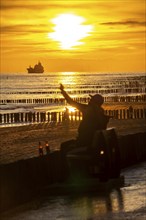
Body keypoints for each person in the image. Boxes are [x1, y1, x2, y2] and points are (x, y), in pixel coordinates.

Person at [60, 83, 110, 148]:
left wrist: (63, 91)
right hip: (93, 141)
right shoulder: (101, 112)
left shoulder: (87, 109)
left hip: (84, 141)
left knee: (64, 146)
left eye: (91, 100)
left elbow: (71, 102)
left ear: (94, 102)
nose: (89, 101)